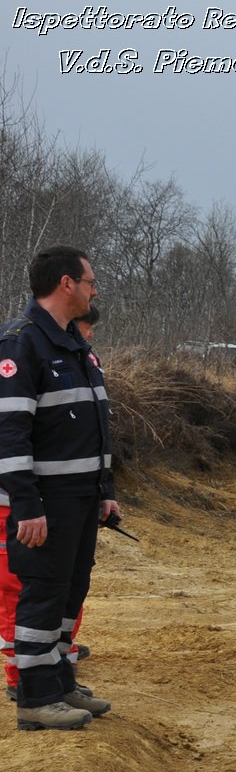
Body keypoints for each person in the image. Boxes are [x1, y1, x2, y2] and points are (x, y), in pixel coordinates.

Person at [0, 246, 118, 730]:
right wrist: (26, 504)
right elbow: (9, 433)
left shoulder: (75, 344)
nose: (94, 290)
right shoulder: (21, 343)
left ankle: (62, 683)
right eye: (90, 282)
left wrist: (105, 488)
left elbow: (95, 424)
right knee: (43, 595)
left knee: (71, 592)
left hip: (82, 500)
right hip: (43, 504)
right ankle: (35, 697)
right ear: (66, 284)